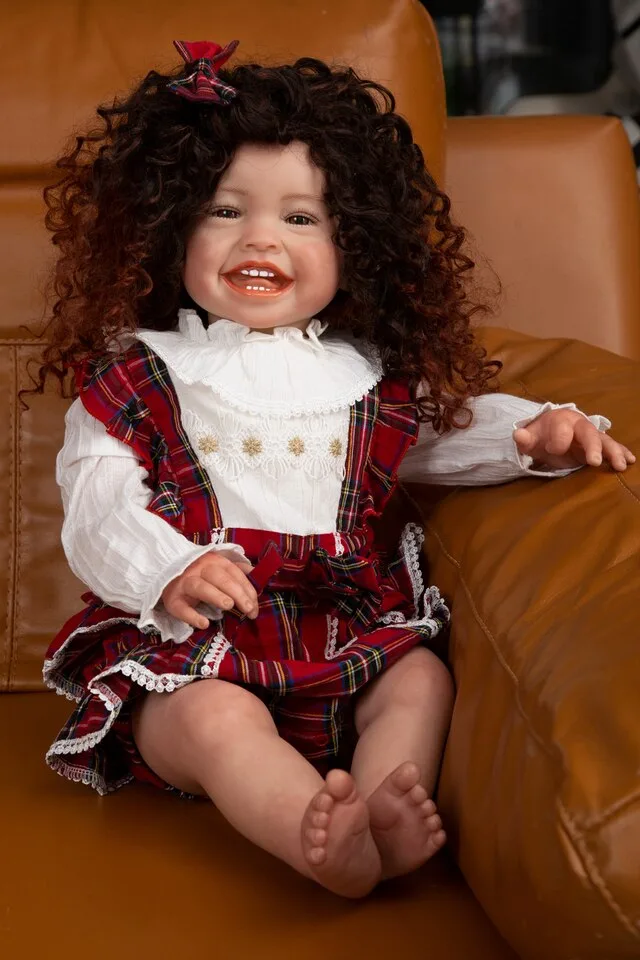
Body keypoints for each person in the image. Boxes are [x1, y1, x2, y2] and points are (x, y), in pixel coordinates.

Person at [37, 40, 634, 899]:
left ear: (357, 245)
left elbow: (439, 436)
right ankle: (313, 837)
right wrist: (169, 569)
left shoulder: (363, 379)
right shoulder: (140, 378)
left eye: (301, 219)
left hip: (341, 627)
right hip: (195, 643)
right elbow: (98, 507)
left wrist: (530, 435)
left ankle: (385, 804)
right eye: (225, 210)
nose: (260, 238)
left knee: (419, 678)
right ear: (170, 230)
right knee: (211, 720)